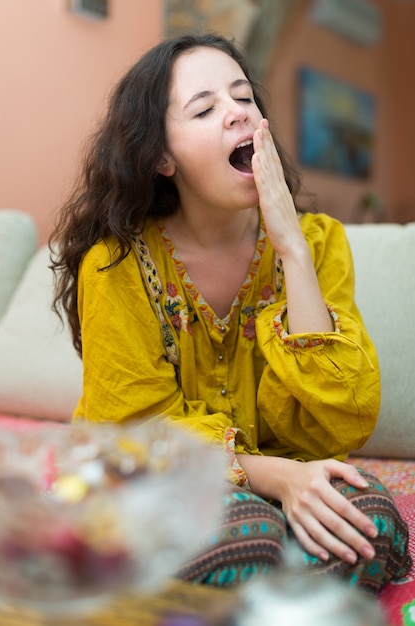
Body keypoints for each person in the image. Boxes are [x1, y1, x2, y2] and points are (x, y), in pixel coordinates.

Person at [50, 32, 411, 594]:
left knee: (374, 528)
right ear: (162, 157)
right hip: (158, 475)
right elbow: (137, 433)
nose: (237, 114)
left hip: (287, 466)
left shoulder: (317, 244)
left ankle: (241, 582)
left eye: (244, 98)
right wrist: (276, 477)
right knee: (246, 535)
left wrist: (290, 247)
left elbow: (338, 419)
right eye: (205, 107)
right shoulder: (114, 265)